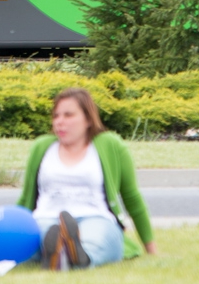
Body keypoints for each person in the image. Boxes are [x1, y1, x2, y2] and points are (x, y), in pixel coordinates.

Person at [17, 88, 156, 270]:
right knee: (38, 235)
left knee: (98, 239)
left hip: (96, 217)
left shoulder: (110, 145)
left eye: (68, 115)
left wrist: (151, 249)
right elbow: (26, 197)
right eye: (56, 116)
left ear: (89, 119)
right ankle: (62, 250)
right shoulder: (42, 147)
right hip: (47, 217)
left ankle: (78, 256)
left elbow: (132, 197)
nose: (60, 122)